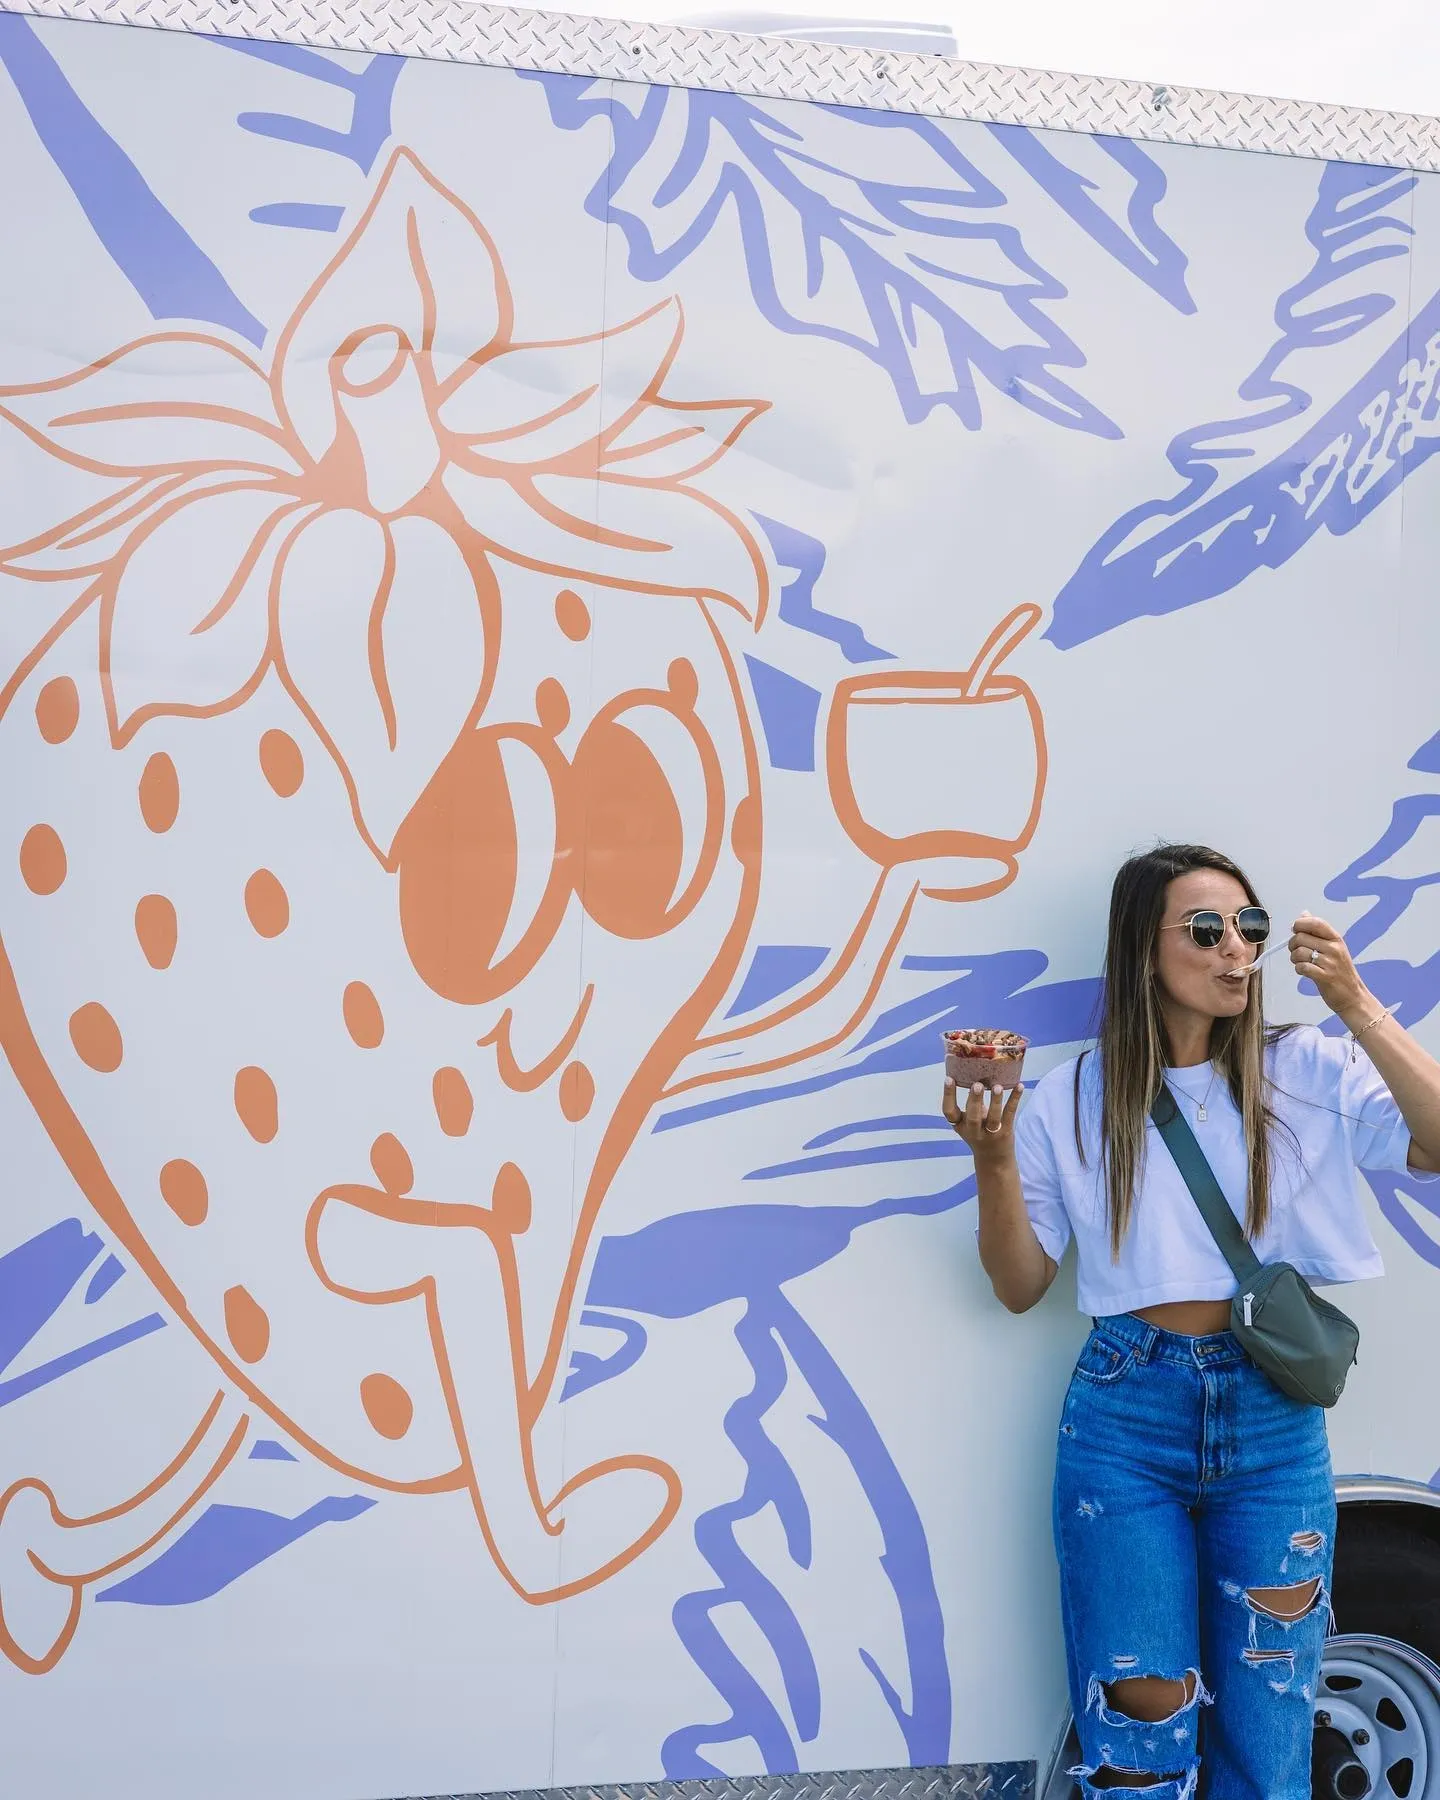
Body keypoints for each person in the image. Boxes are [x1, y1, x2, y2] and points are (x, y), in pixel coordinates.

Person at [941, 843, 1440, 1799]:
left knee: (1271, 1725)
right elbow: (1018, 1284)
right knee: (1140, 1734)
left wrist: (1357, 1004)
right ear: (1142, 952)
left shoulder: (1306, 1066)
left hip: (1271, 1422)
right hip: (1126, 1419)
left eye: (1249, 928)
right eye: (1205, 930)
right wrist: (993, 1155)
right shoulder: (1073, 1097)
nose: (1235, 951)